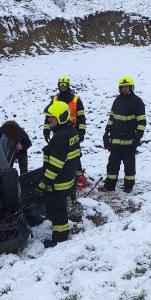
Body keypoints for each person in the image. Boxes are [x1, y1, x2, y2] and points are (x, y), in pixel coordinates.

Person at [37, 101, 81, 248]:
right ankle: (60, 236)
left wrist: (45, 182)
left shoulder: (60, 137)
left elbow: (55, 165)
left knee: (58, 212)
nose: (49, 120)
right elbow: (75, 156)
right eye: (49, 117)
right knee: (60, 209)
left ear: (61, 118)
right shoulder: (72, 132)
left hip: (58, 182)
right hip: (67, 179)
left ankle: (59, 240)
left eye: (52, 118)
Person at [101, 76, 147, 193]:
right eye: (123, 87)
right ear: (120, 88)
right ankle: (109, 186)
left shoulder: (137, 101)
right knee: (112, 165)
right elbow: (111, 118)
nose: (125, 89)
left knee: (129, 167)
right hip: (115, 141)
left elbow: (141, 121)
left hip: (129, 141)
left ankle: (128, 187)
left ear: (131, 87)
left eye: (127, 87)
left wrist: (138, 136)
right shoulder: (117, 101)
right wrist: (107, 133)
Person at [43, 76, 86, 144]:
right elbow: (49, 116)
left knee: (72, 152)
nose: (62, 86)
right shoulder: (55, 99)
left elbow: (81, 118)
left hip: (72, 131)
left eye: (65, 84)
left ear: (68, 85)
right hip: (58, 131)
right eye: (61, 84)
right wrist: (46, 131)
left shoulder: (76, 100)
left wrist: (81, 132)